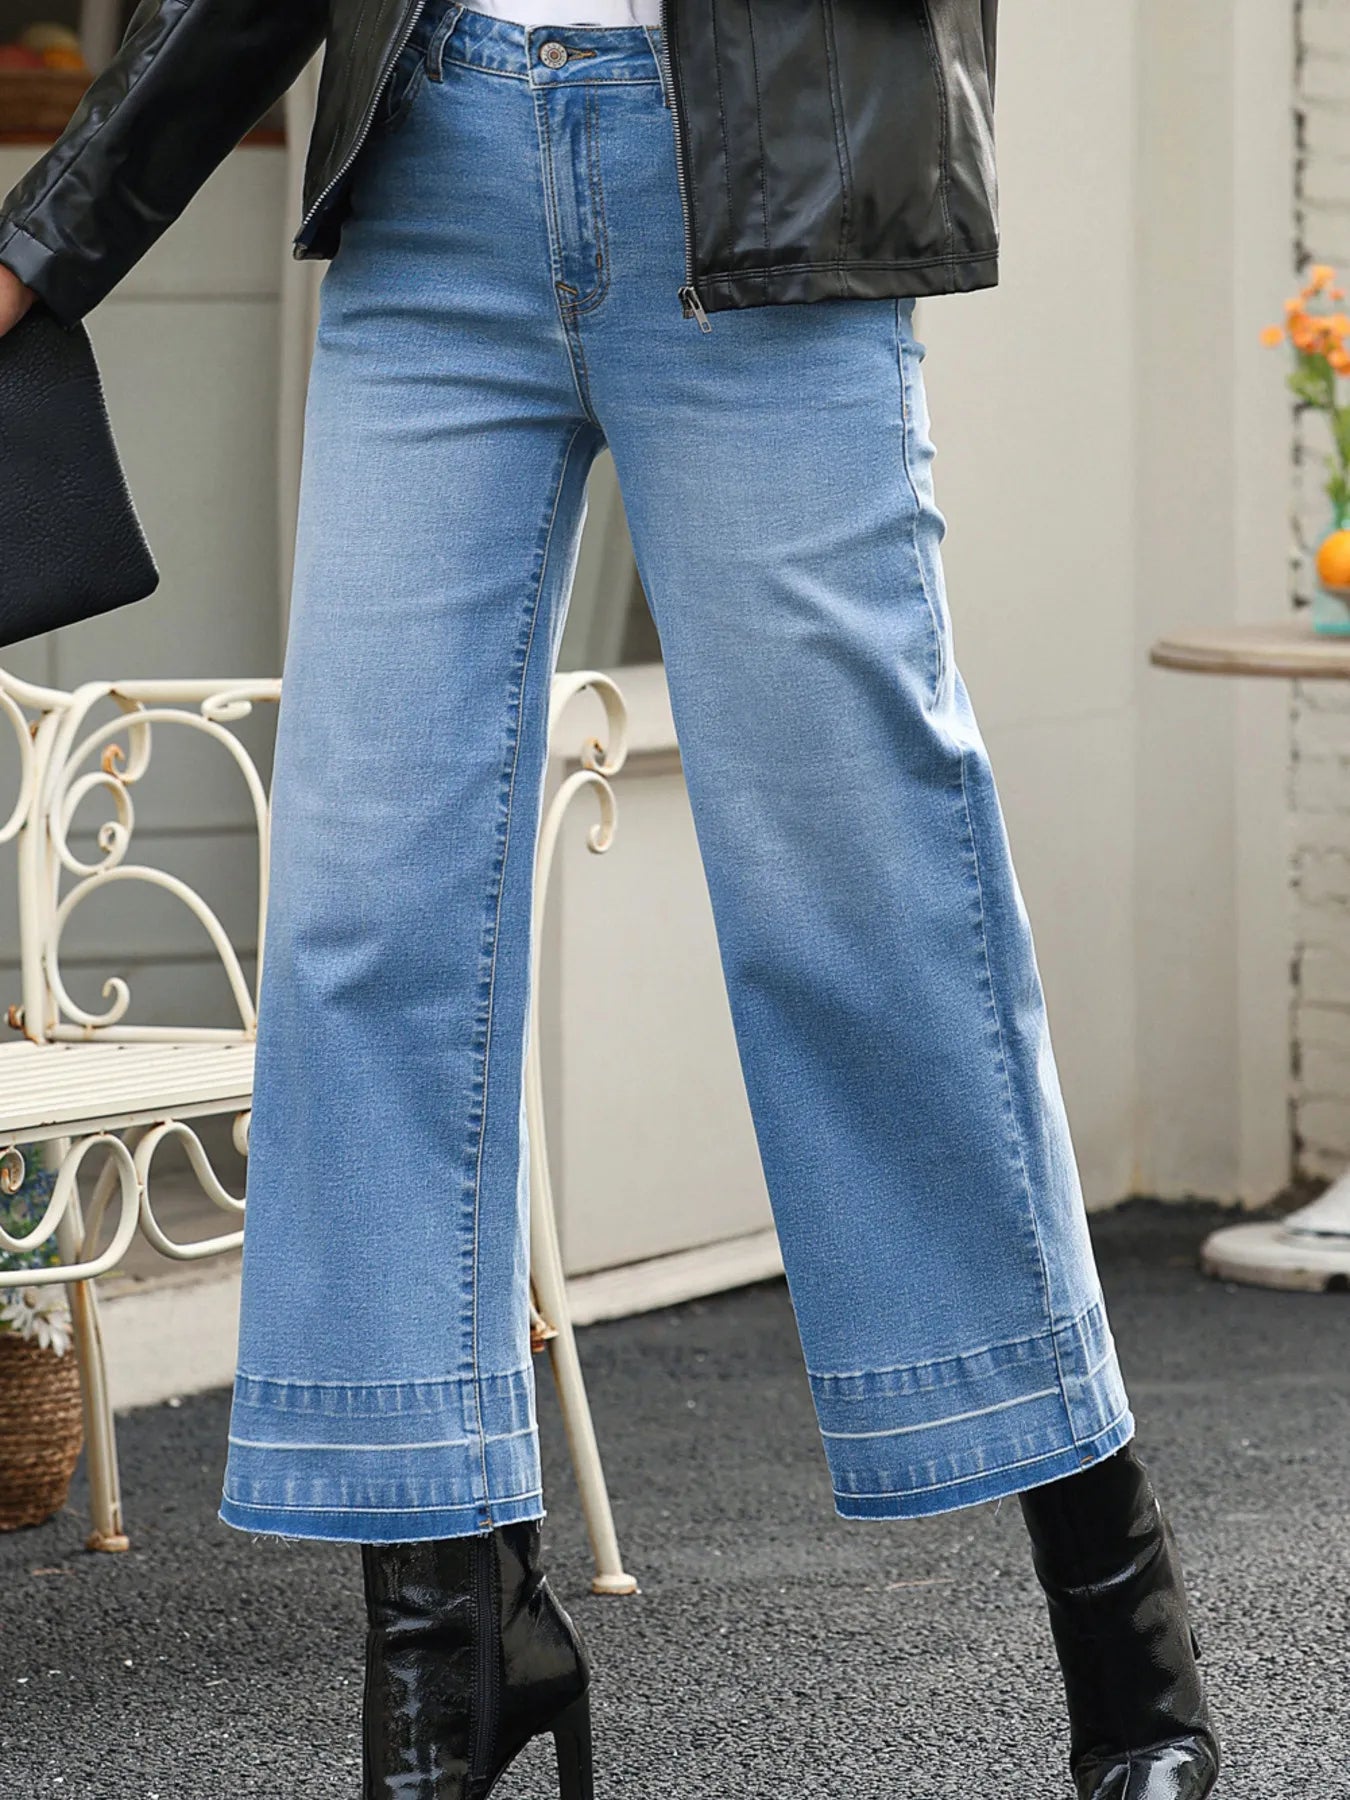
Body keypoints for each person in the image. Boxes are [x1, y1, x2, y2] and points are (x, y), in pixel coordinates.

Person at [0, 3, 1220, 1796]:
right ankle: (449, 1665)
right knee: (366, 929)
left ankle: (1123, 1642)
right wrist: (51, 234)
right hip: (435, 167)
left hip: (760, 180)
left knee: (872, 913)